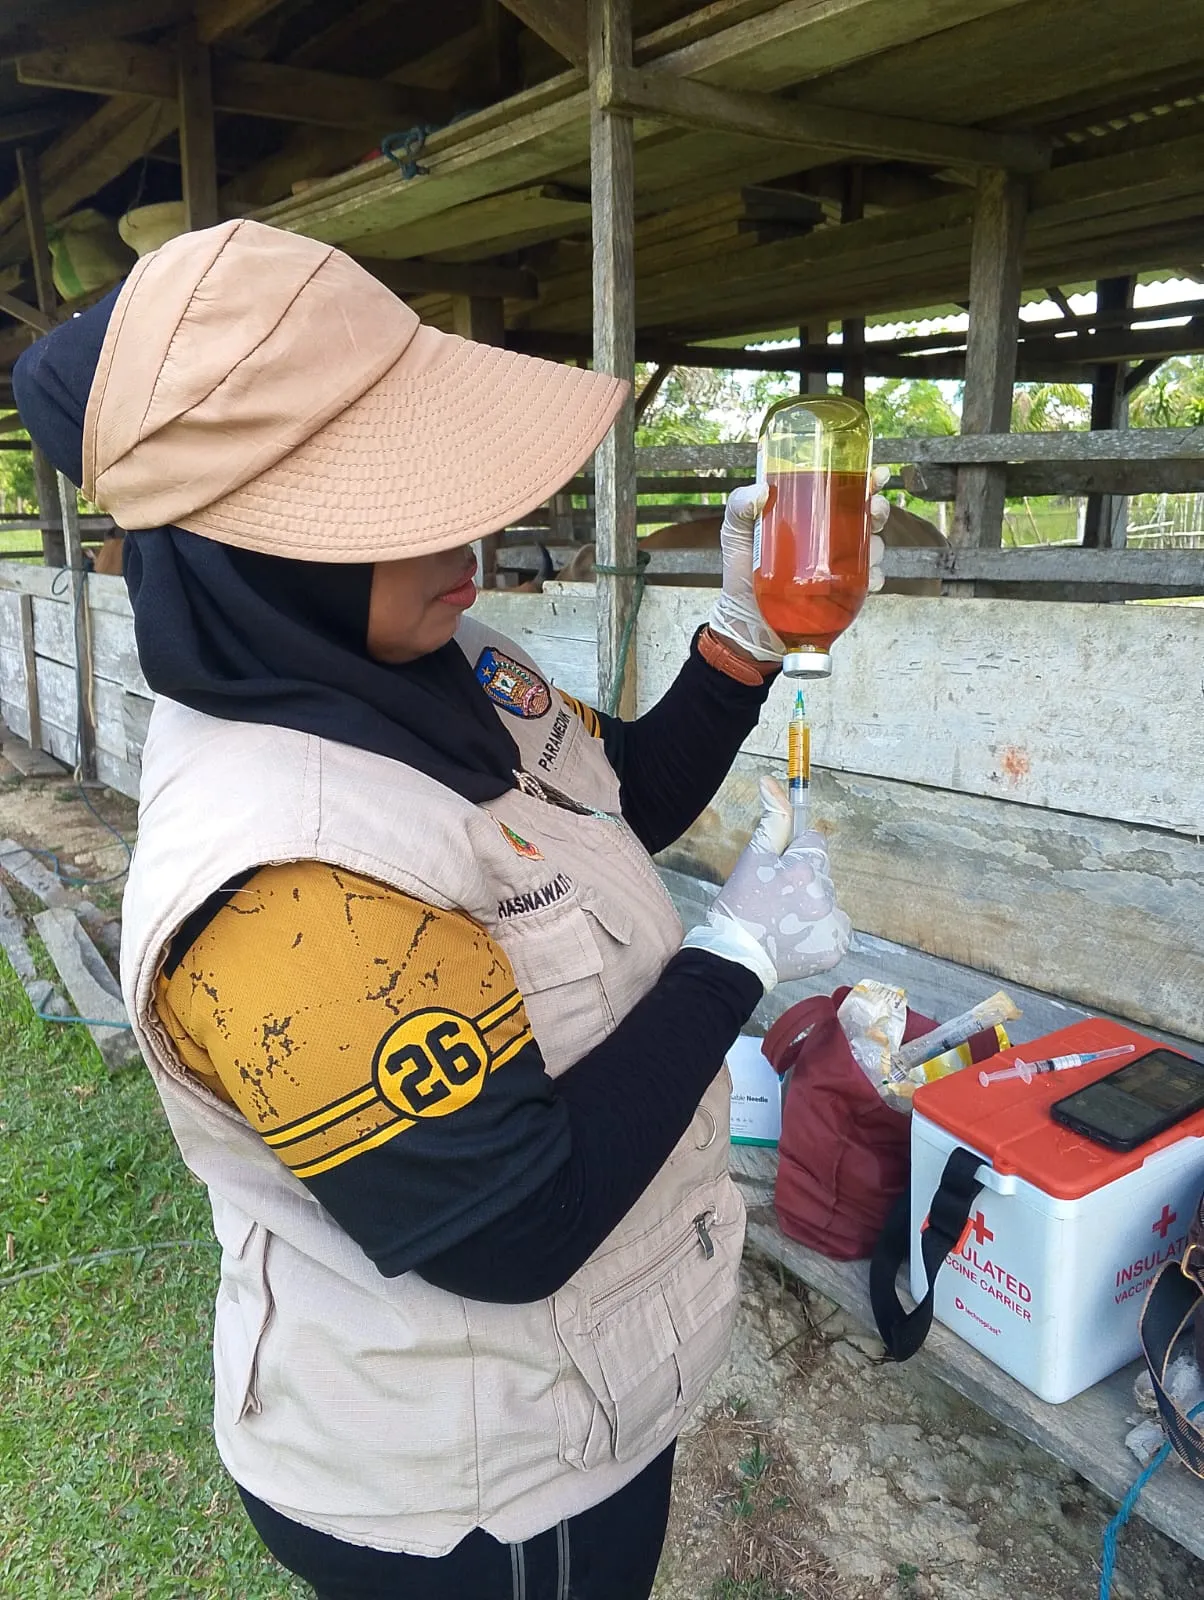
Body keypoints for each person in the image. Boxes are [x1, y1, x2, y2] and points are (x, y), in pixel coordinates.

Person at [14, 219, 886, 1600]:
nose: (463, 537)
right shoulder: (282, 892)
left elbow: (612, 803)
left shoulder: (432, 660)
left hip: (578, 1392)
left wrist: (742, 637)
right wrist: (733, 958)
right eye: (391, 503)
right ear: (244, 545)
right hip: (478, 1486)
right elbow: (515, 1226)